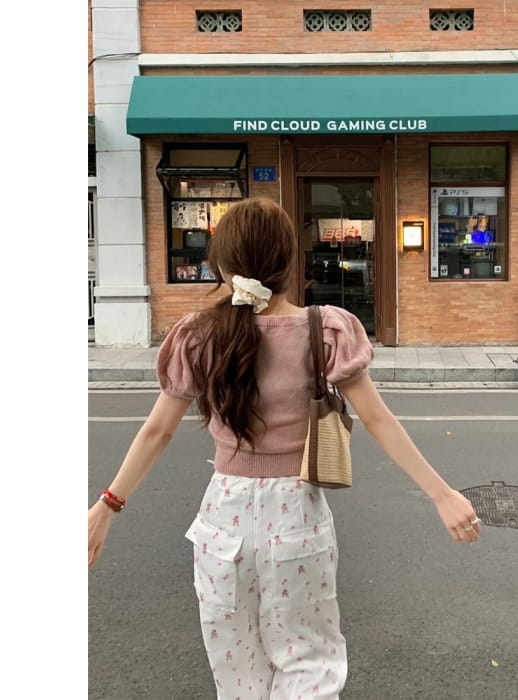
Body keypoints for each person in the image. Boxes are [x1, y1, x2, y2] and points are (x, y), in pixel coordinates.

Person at [88, 197, 481, 699]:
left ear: (222, 265)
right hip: (296, 516)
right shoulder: (324, 330)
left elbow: (156, 432)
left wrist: (107, 506)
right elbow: (377, 418)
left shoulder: (197, 336)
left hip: (222, 520)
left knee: (237, 673)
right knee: (309, 663)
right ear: (288, 261)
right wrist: (442, 494)